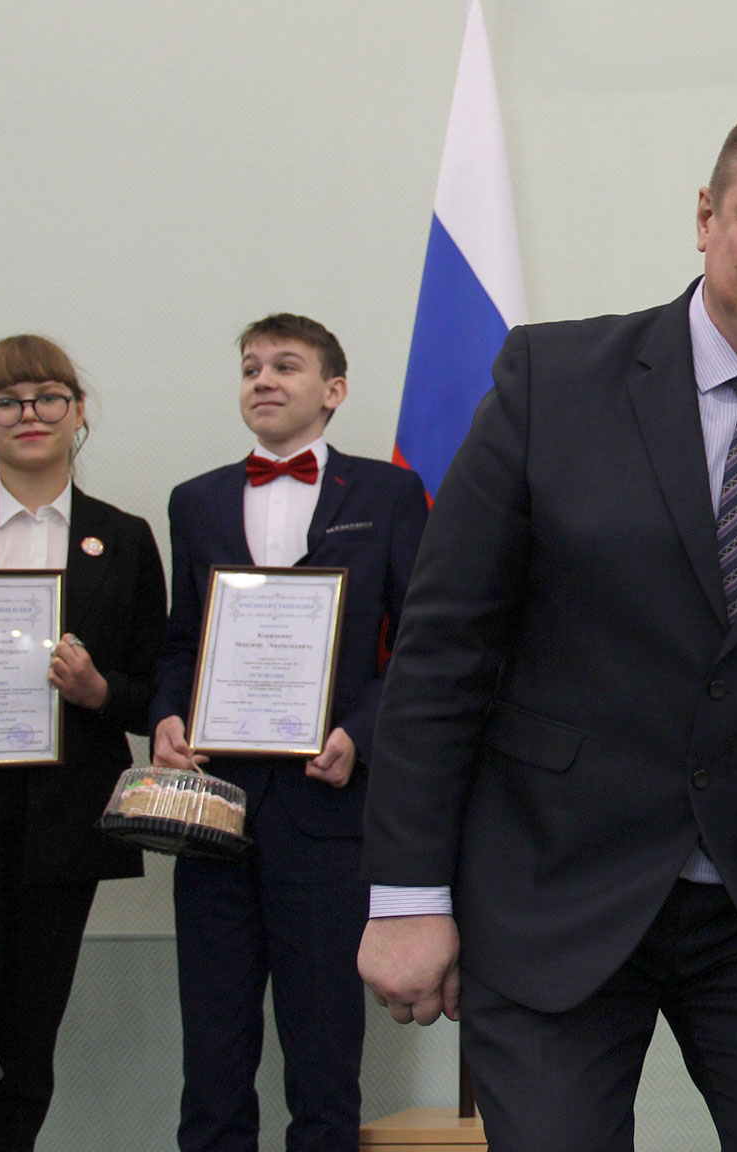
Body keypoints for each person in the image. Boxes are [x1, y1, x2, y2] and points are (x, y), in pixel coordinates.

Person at [357, 101, 737, 1152]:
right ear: (706, 216)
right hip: (555, 888)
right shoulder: (550, 383)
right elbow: (443, 652)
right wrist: (407, 894)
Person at [148, 314, 428, 1152]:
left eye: (285, 366)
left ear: (333, 391)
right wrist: (167, 715)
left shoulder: (387, 494)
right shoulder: (195, 500)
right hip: (215, 812)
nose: (263, 380)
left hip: (328, 810)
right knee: (212, 1055)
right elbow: (182, 641)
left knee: (323, 1055)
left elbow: (421, 643)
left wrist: (360, 733)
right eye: (250, 368)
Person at [0, 335, 166, 1152]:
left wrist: (98, 691)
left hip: (58, 834)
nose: (30, 413)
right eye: (7, 400)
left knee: (24, 1054)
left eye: (48, 396)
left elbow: (156, 690)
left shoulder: (122, 538)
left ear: (78, 412)